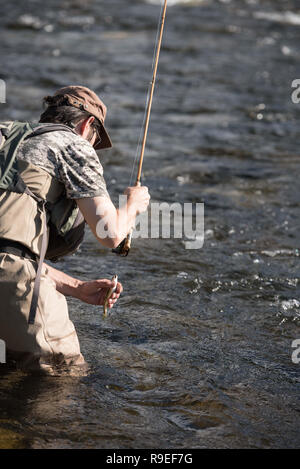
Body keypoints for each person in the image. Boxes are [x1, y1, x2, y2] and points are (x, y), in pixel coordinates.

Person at [0, 85, 150, 375]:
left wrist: (78, 288)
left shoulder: (5, 134)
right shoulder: (72, 143)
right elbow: (111, 235)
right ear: (88, 125)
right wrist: (132, 205)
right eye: (95, 141)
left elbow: (8, 247)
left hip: (11, 273)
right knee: (65, 379)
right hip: (13, 288)